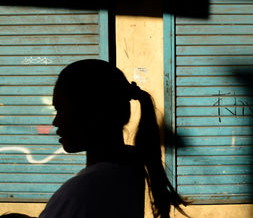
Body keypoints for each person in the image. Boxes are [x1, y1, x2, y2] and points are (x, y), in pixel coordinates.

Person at [39, 59, 188, 218]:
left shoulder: (82, 192)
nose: (56, 121)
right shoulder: (130, 168)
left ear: (95, 115)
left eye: (62, 110)